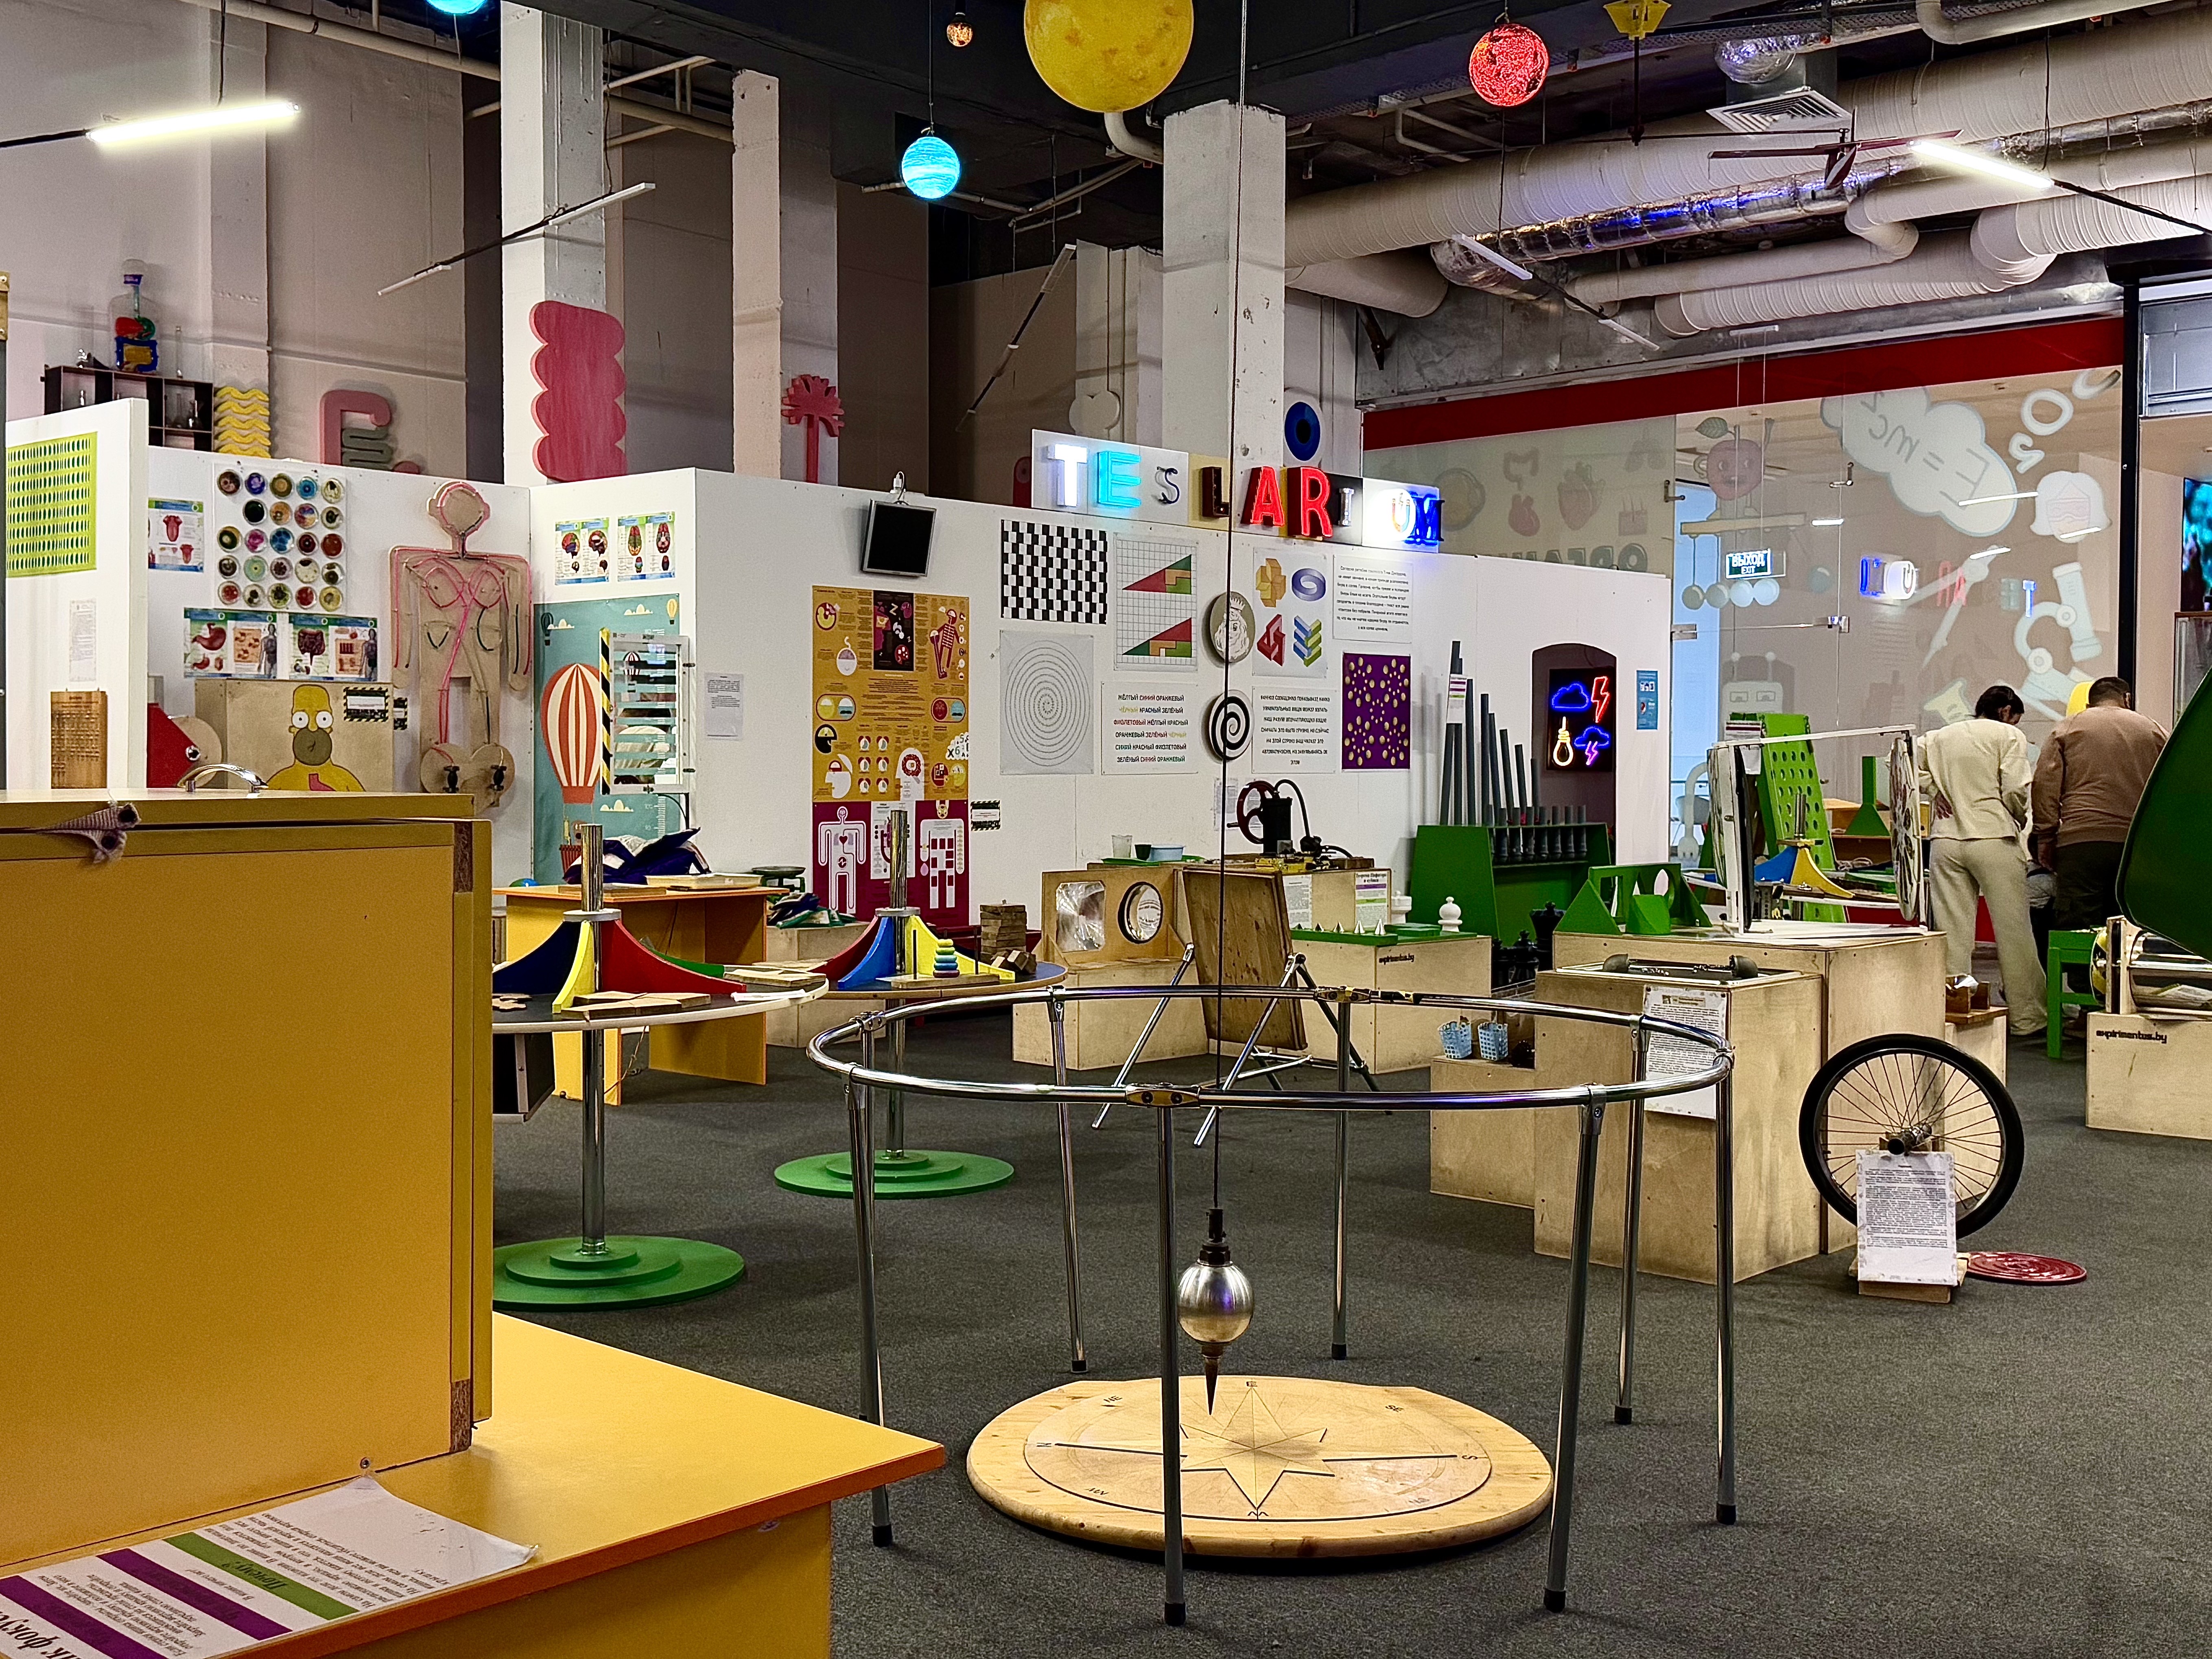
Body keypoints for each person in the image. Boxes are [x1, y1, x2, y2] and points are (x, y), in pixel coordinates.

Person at [1919, 686, 2046, 1037]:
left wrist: (1933, 790)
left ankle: (1954, 1009)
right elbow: (2016, 788)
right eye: (2015, 717)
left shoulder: (1938, 736)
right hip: (1994, 837)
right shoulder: (2008, 736)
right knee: (2014, 931)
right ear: (2006, 711)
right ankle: (2027, 1018)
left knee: (1953, 934)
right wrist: (2019, 817)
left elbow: (1897, 761)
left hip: (1946, 840)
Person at [2033, 675, 2168, 931]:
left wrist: (2046, 836)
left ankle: (2080, 960)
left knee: (2077, 928)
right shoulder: (2153, 730)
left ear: (2090, 703)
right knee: (2130, 929)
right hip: (2136, 847)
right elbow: (2171, 786)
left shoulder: (2067, 728)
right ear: (2127, 699)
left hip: (2081, 844)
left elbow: (2045, 785)